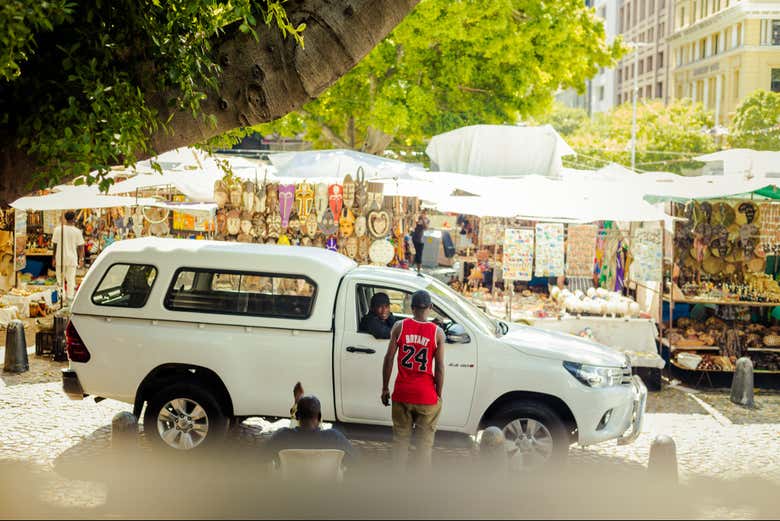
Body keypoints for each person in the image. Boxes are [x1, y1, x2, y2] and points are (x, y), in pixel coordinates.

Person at [381, 290, 445, 470]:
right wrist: (438, 395)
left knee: (400, 441)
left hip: (402, 393)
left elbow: (389, 358)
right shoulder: (438, 333)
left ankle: (397, 478)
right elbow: (440, 368)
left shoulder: (399, 327)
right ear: (430, 307)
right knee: (424, 446)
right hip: (426, 396)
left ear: (412, 307)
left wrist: (385, 388)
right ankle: (420, 482)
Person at [265, 395, 356, 466]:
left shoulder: (282, 436)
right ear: (319, 417)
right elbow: (357, 462)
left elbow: (259, 458)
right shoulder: (335, 438)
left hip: (289, 485)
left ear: (296, 416)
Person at [52, 211, 85, 304]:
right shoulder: (77, 231)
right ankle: (70, 299)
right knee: (71, 280)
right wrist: (81, 259)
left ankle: (61, 298)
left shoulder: (57, 230)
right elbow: (81, 247)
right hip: (72, 259)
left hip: (60, 258)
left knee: (60, 280)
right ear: (74, 219)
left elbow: (54, 245)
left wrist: (53, 258)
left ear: (65, 218)